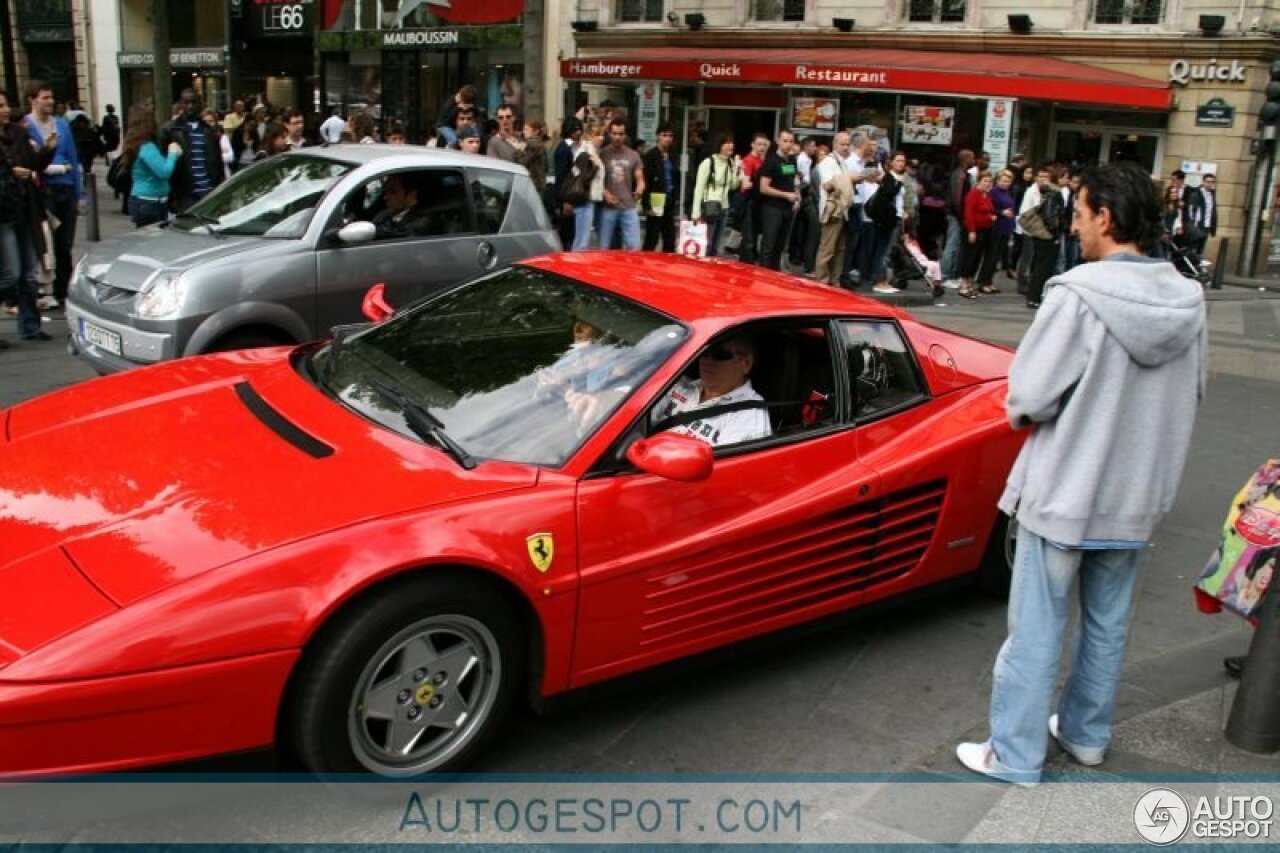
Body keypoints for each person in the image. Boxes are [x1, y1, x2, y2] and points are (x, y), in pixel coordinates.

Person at [956, 160, 1207, 787]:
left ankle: (1014, 754)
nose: (1075, 224)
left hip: (1065, 490)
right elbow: (1193, 394)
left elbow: (1028, 397)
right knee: (1107, 622)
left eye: (1080, 211)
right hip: (1137, 494)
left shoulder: (1076, 294)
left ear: (1107, 217)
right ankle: (1087, 736)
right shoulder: (1189, 301)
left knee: (1037, 628)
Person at [0, 90, 56, 343]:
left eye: (5, 104)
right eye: (0, 105)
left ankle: (30, 326)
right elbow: (12, 171)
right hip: (3, 215)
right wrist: (12, 173)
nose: (5, 110)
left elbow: (34, 164)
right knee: (10, 273)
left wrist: (47, 151)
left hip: (24, 209)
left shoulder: (19, 134)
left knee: (30, 274)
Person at [651, 337, 772, 448]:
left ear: (746, 363)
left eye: (719, 355)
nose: (707, 360)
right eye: (704, 353)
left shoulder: (748, 414)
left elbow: (727, 467)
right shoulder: (678, 385)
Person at [23, 79, 80, 309]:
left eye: (51, 97)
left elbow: (73, 158)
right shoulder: (25, 126)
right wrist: (57, 167)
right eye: (45, 97)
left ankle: (63, 290)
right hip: (43, 191)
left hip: (66, 189)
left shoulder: (62, 125)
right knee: (45, 243)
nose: (50, 101)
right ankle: (43, 290)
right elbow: (30, 161)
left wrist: (80, 193)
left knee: (65, 243)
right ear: (32, 100)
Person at [160, 87, 224, 210]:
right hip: (185, 195)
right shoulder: (169, 130)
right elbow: (164, 164)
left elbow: (217, 161)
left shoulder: (209, 131)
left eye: (193, 103)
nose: (190, 106)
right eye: (186, 102)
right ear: (181, 104)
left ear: (199, 104)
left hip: (208, 192)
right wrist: (172, 196)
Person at [123, 106, 181, 228]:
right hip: (151, 204)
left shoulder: (133, 144)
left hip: (143, 201)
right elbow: (164, 172)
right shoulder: (147, 147)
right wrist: (172, 153)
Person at [756, 128, 800, 271]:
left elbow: (793, 180)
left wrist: (796, 194)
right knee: (769, 244)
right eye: (785, 141)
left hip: (787, 207)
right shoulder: (771, 161)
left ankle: (775, 275)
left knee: (780, 245)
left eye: (791, 141)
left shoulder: (792, 160)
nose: (788, 144)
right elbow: (763, 187)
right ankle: (763, 275)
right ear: (778, 142)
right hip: (772, 208)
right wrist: (786, 195)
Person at [598, 118, 644, 251]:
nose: (617, 137)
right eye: (614, 133)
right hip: (608, 207)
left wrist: (640, 189)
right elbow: (595, 179)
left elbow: (640, 178)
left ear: (626, 135)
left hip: (628, 206)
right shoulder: (602, 153)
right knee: (604, 248)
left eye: (621, 134)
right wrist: (605, 193)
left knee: (634, 247)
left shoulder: (633, 155)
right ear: (610, 134)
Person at [691, 133, 740, 258]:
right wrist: (695, 212)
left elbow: (733, 186)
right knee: (706, 243)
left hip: (724, 207)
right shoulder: (708, 162)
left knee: (717, 245)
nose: (731, 145)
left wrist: (737, 170)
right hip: (710, 206)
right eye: (727, 143)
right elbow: (699, 188)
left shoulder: (730, 162)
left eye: (732, 143)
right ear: (720, 145)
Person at [813, 131, 853, 284]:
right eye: (842, 144)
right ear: (834, 145)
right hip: (832, 211)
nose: (845, 147)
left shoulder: (842, 162)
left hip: (842, 211)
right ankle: (822, 281)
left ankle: (834, 281)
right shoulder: (827, 163)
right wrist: (846, 181)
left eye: (848, 144)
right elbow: (828, 185)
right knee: (827, 249)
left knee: (840, 249)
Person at [959, 171, 998, 299]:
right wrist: (971, 231)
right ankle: (964, 285)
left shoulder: (987, 195)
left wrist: (991, 216)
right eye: (985, 181)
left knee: (977, 258)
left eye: (989, 182)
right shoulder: (973, 194)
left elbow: (989, 209)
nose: (987, 184)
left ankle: (970, 283)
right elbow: (968, 213)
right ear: (979, 181)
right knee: (969, 257)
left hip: (986, 229)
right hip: (974, 229)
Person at [641, 123, 677, 253]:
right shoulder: (650, 156)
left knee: (670, 238)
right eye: (664, 135)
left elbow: (674, 177)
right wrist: (646, 206)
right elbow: (646, 181)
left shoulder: (672, 155)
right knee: (652, 236)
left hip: (669, 199)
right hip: (655, 199)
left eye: (670, 136)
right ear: (658, 137)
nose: (667, 138)